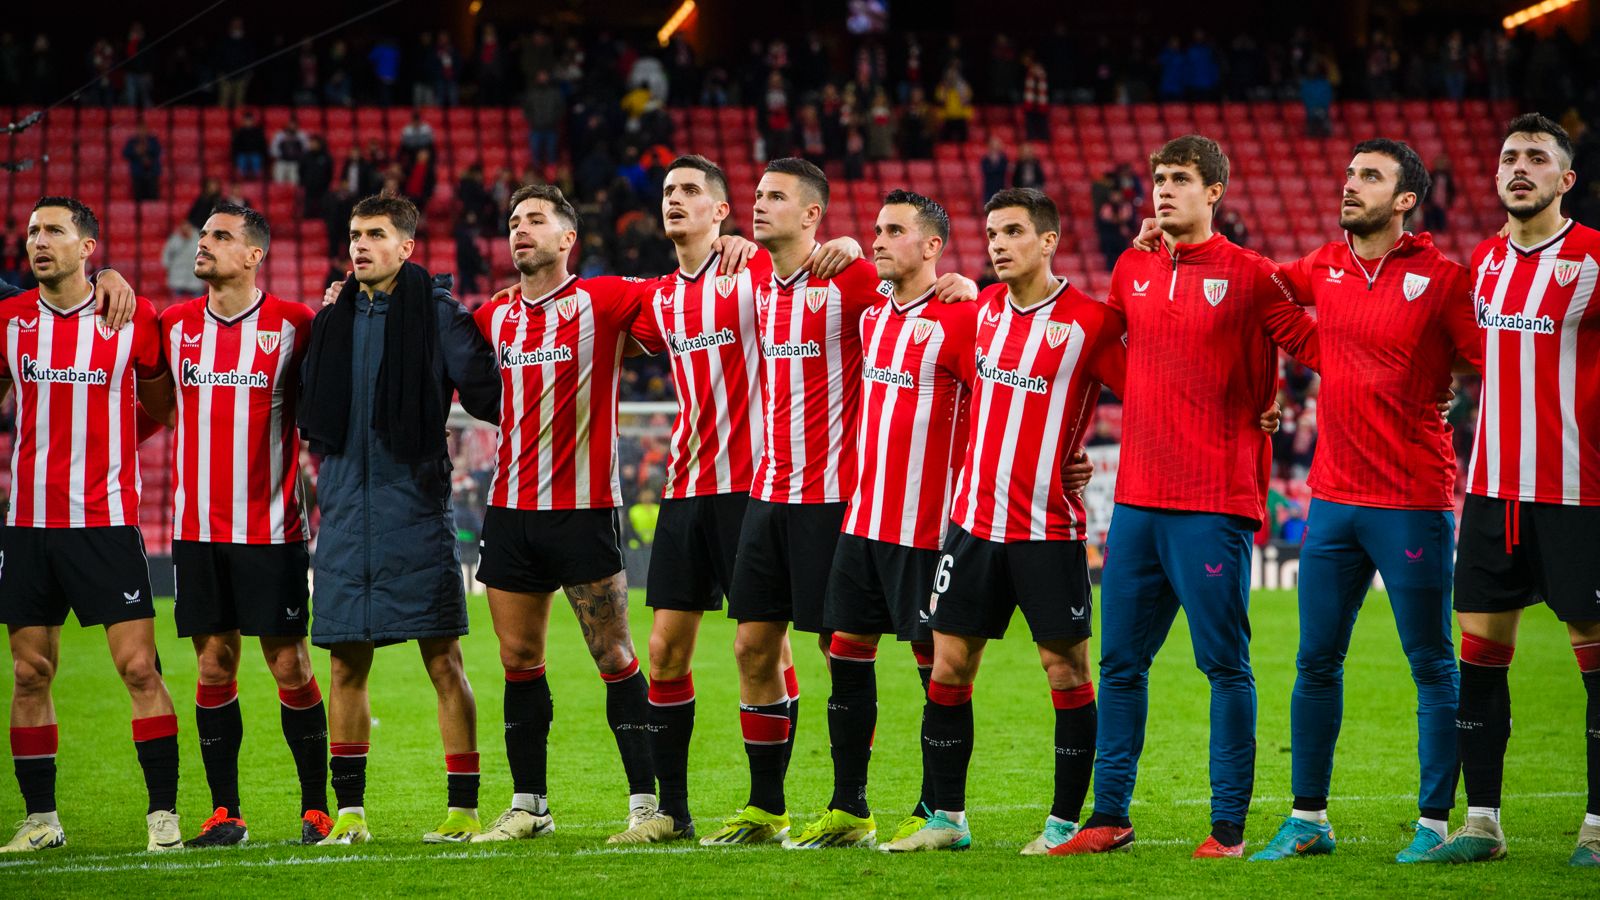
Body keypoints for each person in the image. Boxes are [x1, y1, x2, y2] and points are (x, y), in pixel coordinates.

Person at [1057, 135, 1317, 859]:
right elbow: (1104, 352)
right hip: (1137, 500)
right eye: (1158, 179)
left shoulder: (1253, 275)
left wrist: (1274, 399)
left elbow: (1314, 347)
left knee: (1224, 666)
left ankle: (1227, 829)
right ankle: (1109, 817)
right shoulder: (1132, 267)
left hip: (1212, 502)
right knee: (1118, 665)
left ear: (1215, 192)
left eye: (1180, 180)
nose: (1164, 191)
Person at [1231, 140, 1481, 862]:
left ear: (1405, 200)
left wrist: (1453, 390)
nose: (1350, 185)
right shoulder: (1325, 266)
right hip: (1332, 502)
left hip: (1412, 500)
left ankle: (1434, 825)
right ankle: (1308, 820)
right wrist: (1182, 238)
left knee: (1431, 663)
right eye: (1348, 173)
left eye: (1369, 177)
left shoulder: (1443, 279)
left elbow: (1486, 361)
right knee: (1315, 663)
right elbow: (1259, 284)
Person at [603, 155, 862, 846]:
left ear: (723, 209)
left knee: (766, 648)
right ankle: (672, 812)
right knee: (663, 651)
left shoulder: (754, 271)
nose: (676, 200)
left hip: (758, 486)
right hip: (686, 487)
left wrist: (854, 244)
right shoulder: (658, 298)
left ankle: (772, 802)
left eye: (692, 190)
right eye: (668, 191)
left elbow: (824, 268)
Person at [881, 188, 1123, 854]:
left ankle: (1063, 823)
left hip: (1047, 533)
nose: (998, 244)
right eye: (991, 233)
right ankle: (947, 820)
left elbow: (1153, 392)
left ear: (1049, 241)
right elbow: (899, 314)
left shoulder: (1091, 324)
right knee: (948, 669)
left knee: (1066, 672)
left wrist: (1259, 405)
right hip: (971, 528)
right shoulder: (977, 310)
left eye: (1014, 232)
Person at [1423, 114, 1600, 867]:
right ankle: (1483, 824)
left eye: (1536, 158)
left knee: (1593, 663)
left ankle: (1597, 828)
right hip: (1493, 495)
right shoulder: (1484, 260)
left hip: (1578, 498)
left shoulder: (1593, 256)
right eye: (1508, 158)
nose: (1518, 168)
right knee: (1481, 659)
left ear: (1566, 180)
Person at [297, 195, 501, 846]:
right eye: (354, 234)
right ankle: (351, 813)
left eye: (375, 235)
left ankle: (463, 810)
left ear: (407, 247)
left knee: (443, 660)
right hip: (345, 513)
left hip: (414, 509)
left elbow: (491, 391)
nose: (359, 245)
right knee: (344, 666)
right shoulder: (332, 317)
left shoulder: (438, 315)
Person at [699, 158, 887, 846]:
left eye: (776, 197)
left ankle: (850, 807)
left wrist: (875, 251)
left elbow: (925, 294)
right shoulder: (750, 274)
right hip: (766, 493)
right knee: (753, 646)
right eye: (757, 194)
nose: (758, 204)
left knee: (840, 649)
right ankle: (766, 807)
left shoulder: (849, 277)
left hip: (831, 497)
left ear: (813, 215)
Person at [786, 190, 980, 851]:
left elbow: (1006, 398)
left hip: (927, 532)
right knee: (845, 655)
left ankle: (938, 811)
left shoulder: (961, 319)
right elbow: (829, 260)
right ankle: (849, 808)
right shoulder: (873, 316)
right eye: (874, 229)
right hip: (862, 522)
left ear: (932, 247)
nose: (876, 239)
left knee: (938, 668)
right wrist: (837, 246)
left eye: (894, 231)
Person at [465, 184, 657, 842]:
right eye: (513, 220)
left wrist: (731, 251)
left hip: (583, 509)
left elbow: (687, 308)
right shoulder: (494, 317)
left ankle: (645, 807)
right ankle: (530, 807)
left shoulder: (604, 300)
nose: (520, 229)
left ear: (567, 238)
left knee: (613, 653)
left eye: (536, 220)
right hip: (510, 512)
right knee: (518, 657)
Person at [0, 197, 181, 854]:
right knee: (28, 674)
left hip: (104, 522)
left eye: (54, 230)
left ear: (88, 248)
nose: (38, 241)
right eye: (31, 231)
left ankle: (163, 815)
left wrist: (107, 449)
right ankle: (41, 818)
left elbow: (163, 406)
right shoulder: (8, 320)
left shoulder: (129, 318)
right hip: (26, 527)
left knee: (138, 668)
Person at [155, 204, 331, 847]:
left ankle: (317, 807)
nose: (204, 245)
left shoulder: (295, 323)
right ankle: (226, 813)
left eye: (220, 237)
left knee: (288, 663)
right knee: (213, 663)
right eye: (203, 235)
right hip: (197, 531)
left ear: (254, 255)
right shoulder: (170, 325)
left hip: (273, 530)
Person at [161, 220, 204, 298]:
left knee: (198, 304)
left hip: (194, 278)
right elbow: (166, 255)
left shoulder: (199, 238)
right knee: (176, 306)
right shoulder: (174, 239)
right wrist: (168, 267)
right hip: (177, 278)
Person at [123, 124, 162, 202]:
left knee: (153, 196)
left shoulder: (153, 140)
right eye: (140, 130)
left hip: (152, 173)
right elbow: (125, 153)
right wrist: (135, 151)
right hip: (137, 173)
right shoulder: (132, 141)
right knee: (138, 197)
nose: (142, 132)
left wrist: (148, 148)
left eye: (143, 130)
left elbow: (158, 151)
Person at [232, 110, 267, 180]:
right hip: (243, 154)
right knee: (241, 160)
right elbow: (235, 147)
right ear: (243, 121)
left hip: (255, 153)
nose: (248, 122)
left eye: (250, 120)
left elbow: (262, 146)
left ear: (253, 121)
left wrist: (263, 157)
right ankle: (241, 180)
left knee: (256, 159)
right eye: (246, 120)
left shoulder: (258, 132)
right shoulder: (239, 132)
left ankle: (257, 180)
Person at [270, 118, 307, 185]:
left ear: (297, 126)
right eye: (290, 125)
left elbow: (306, 149)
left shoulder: (301, 135)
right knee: (278, 182)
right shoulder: (280, 135)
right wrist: (281, 154)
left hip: (295, 162)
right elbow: (273, 149)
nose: (292, 126)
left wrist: (299, 156)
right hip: (282, 161)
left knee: (294, 182)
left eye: (293, 125)